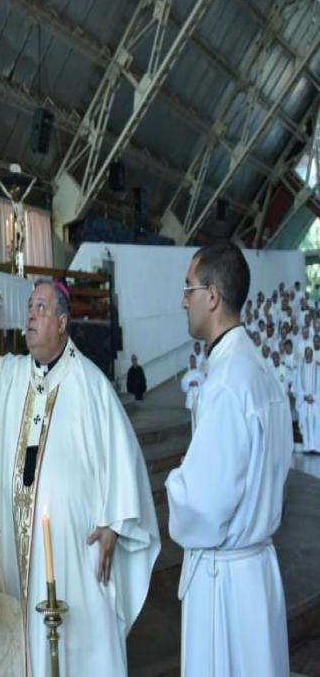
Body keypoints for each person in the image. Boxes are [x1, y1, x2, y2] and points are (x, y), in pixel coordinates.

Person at [0, 273, 159, 675]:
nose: (32, 316)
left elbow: (123, 457)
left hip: (74, 554)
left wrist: (114, 523)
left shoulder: (90, 384)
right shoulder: (10, 375)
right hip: (17, 552)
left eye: (41, 308)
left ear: (61, 323)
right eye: (29, 308)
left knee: (82, 648)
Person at [166, 243, 292, 676]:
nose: (184, 300)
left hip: (226, 583)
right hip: (256, 572)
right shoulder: (260, 369)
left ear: (213, 296)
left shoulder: (225, 382)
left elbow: (203, 504)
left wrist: (179, 477)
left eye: (189, 288)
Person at [294, 345, 320, 453]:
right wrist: (304, 396)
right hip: (304, 401)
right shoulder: (300, 369)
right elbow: (297, 386)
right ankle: (307, 447)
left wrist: (314, 397)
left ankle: (317, 447)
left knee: (317, 423)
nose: (308, 355)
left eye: (309, 353)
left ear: (312, 354)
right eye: (306, 353)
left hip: (316, 402)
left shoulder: (318, 369)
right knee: (305, 423)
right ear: (304, 355)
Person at [180, 354, 205, 433]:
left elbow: (204, 382)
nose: (192, 362)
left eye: (194, 361)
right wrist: (189, 384)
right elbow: (183, 386)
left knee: (200, 417)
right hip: (192, 398)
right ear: (190, 362)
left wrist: (197, 383)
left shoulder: (200, 372)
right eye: (191, 361)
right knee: (193, 419)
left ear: (195, 362)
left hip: (199, 397)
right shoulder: (187, 374)